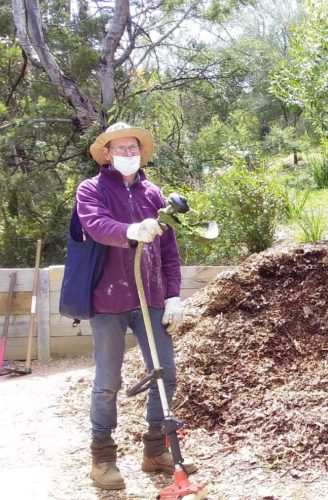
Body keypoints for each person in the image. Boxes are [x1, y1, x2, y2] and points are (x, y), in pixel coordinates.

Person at [78, 122, 196, 490]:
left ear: (140, 154)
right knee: (107, 381)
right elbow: (95, 225)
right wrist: (129, 231)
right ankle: (103, 457)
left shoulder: (153, 193)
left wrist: (173, 294)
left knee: (166, 373)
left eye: (133, 149)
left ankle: (155, 449)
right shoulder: (91, 189)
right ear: (107, 154)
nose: (127, 155)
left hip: (151, 299)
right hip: (107, 299)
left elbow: (169, 251)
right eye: (120, 149)